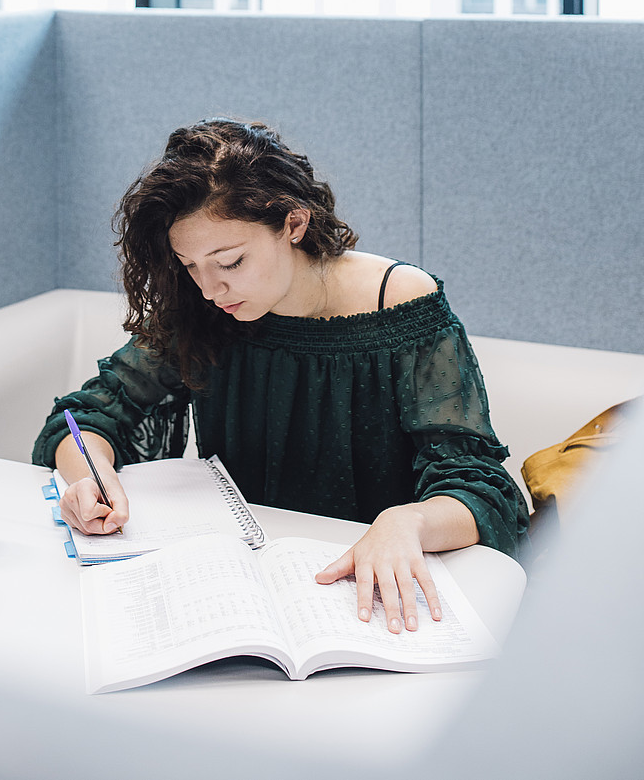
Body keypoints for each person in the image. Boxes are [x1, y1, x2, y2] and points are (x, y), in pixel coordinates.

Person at [33, 118, 529, 634]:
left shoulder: (400, 302)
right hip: (246, 587)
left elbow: (479, 486)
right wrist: (89, 475)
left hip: (379, 593)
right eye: (190, 266)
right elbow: (90, 412)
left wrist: (407, 520)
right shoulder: (208, 308)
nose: (210, 288)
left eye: (231, 261)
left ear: (294, 224)